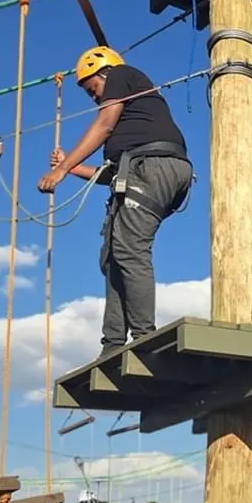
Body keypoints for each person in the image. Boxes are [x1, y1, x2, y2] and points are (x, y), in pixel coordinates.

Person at [39, 46, 194, 355]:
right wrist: (72, 169)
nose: (95, 97)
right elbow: (113, 175)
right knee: (113, 255)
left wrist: (62, 167)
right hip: (143, 170)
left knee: (129, 248)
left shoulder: (122, 75)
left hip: (153, 166)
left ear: (104, 73)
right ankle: (112, 344)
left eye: (92, 88)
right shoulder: (135, 125)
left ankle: (143, 338)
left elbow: (104, 123)